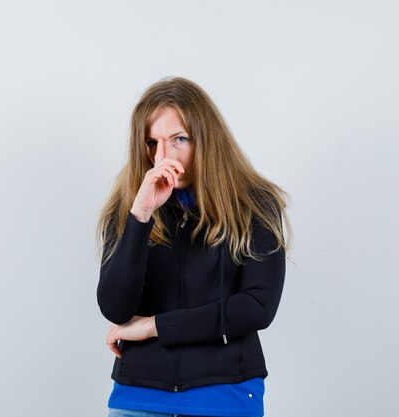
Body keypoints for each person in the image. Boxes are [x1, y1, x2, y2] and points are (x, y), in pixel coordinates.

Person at [95, 76, 292, 417]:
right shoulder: (130, 207)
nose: (164, 156)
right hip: (138, 397)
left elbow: (257, 307)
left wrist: (155, 326)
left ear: (206, 139)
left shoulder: (255, 204)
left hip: (224, 394)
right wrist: (140, 216)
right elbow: (116, 309)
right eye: (152, 142)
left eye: (179, 139)